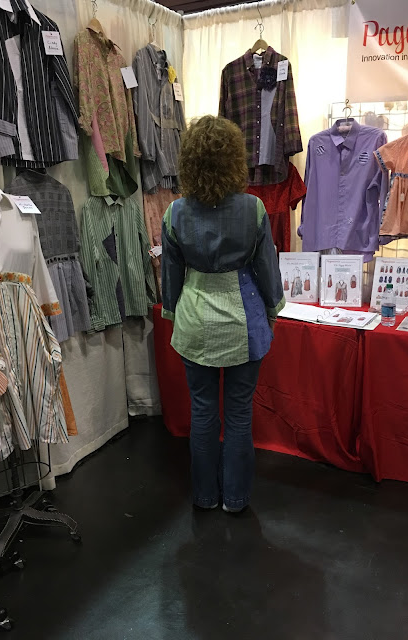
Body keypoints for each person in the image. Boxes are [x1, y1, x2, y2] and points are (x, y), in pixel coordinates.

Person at [161, 115, 285, 513]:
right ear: (235, 159)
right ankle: (235, 499)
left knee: (202, 413)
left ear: (189, 162)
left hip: (195, 320)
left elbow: (171, 277)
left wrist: (171, 312)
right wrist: (273, 310)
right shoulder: (253, 209)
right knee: (238, 416)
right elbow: (267, 270)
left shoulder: (175, 213)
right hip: (243, 321)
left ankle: (204, 497)